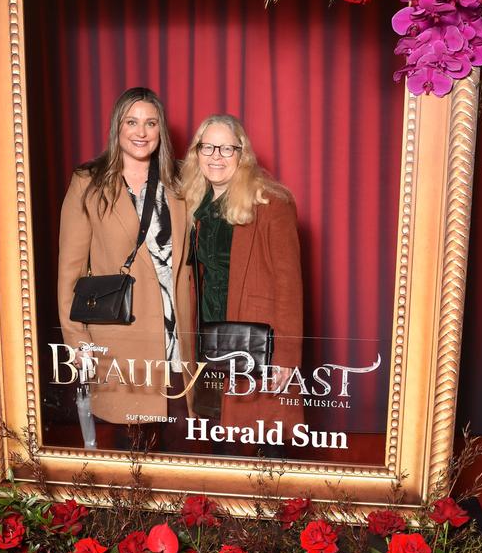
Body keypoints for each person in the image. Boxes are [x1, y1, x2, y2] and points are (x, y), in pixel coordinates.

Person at [57, 87, 192, 451]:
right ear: (117, 127)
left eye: (151, 123)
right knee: (131, 445)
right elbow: (70, 271)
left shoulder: (179, 184)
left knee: (181, 443)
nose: (141, 132)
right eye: (132, 122)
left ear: (161, 130)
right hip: (120, 336)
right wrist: (77, 341)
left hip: (177, 335)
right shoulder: (88, 183)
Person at [180, 114, 303, 451]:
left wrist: (287, 359)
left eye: (226, 148)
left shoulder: (271, 203)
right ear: (196, 153)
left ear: (242, 154)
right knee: (221, 441)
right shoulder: (192, 204)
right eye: (208, 147)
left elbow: (289, 287)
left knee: (268, 443)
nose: (216, 156)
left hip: (256, 341)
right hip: (209, 338)